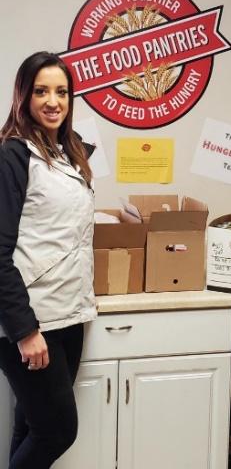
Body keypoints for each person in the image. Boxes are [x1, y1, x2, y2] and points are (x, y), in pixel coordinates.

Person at [0, 51, 97, 468]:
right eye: (41, 91)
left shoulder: (66, 154)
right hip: (33, 321)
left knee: (31, 425)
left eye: (62, 91)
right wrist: (24, 330)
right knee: (58, 431)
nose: (53, 101)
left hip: (69, 312)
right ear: (24, 96)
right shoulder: (13, 155)